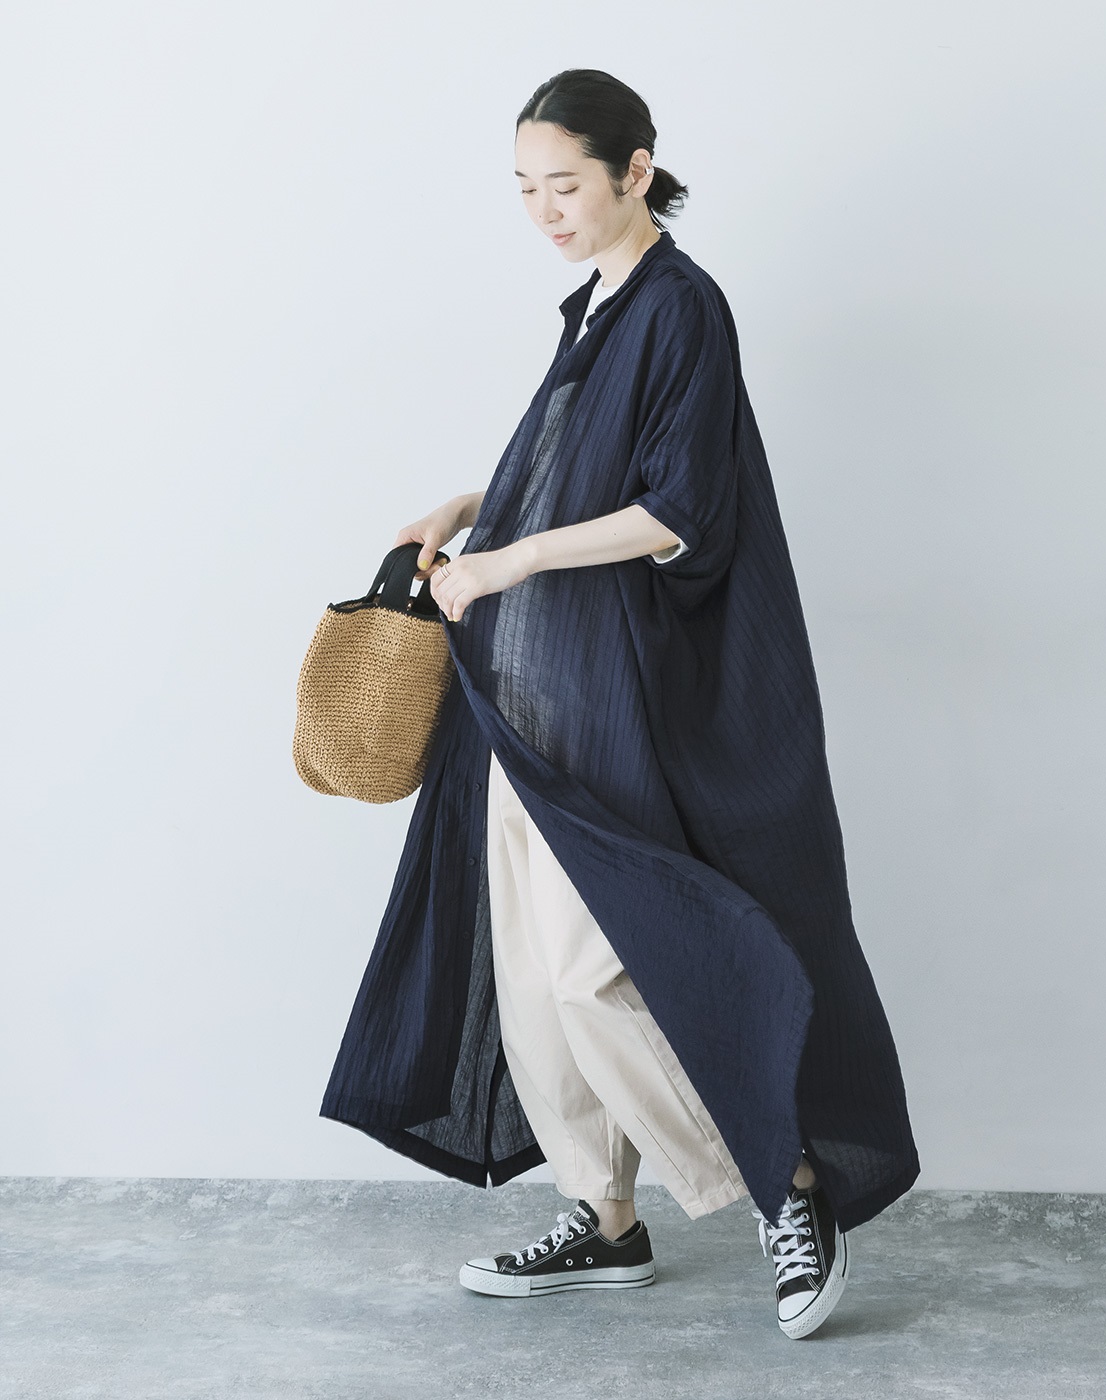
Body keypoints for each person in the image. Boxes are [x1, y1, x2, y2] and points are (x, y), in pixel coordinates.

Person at [320, 68, 919, 1341]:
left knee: (598, 972)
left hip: (614, 704)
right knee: (535, 985)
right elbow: (576, 470)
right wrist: (470, 506)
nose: (545, 210)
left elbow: (677, 508)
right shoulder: (595, 303)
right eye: (525, 188)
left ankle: (786, 1181)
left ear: (636, 170)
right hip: (526, 702)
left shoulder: (680, 306)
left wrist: (510, 562)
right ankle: (604, 1215)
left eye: (566, 184)